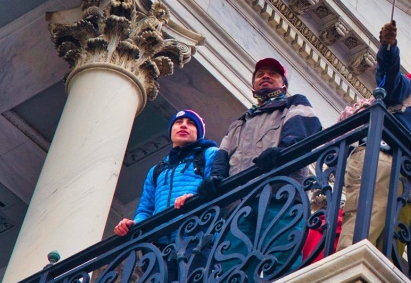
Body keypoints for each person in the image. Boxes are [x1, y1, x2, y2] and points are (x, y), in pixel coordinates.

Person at [336, 20, 411, 250]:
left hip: (407, 182)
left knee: (388, 251)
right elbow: (388, 76)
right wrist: (389, 48)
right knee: (362, 232)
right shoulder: (409, 94)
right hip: (384, 161)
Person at [211, 57, 323, 178]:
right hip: (240, 194)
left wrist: (282, 150)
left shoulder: (293, 103)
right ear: (253, 86)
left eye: (272, 74)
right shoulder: (239, 123)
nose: (265, 76)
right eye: (260, 75)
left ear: (283, 85)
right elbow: (222, 156)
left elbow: (301, 132)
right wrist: (215, 177)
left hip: (279, 190)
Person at [115, 109, 220, 237]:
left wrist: (195, 198)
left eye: (191, 123)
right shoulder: (156, 170)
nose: (183, 125)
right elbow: (145, 210)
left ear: (198, 133)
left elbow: (216, 187)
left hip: (198, 236)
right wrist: (133, 224)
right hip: (159, 247)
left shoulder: (210, 153)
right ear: (171, 131)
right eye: (179, 122)